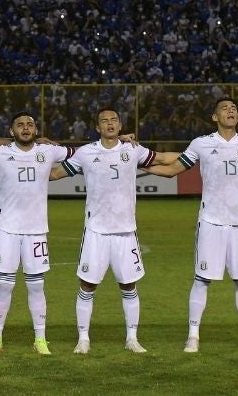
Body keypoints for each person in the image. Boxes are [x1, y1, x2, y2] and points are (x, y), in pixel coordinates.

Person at [145, 97, 238, 353]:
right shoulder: (202, 144)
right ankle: (193, 336)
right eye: (225, 109)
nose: (231, 111)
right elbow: (173, 169)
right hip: (211, 223)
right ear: (214, 117)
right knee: (202, 279)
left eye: (234, 108)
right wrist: (139, 166)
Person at [50, 108, 179, 354]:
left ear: (120, 126)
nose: (109, 124)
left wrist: (196, 155)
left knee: (129, 286)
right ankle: (83, 339)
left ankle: (132, 339)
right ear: (97, 128)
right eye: (104, 121)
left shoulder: (132, 150)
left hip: (125, 231)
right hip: (96, 231)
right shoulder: (86, 153)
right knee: (87, 285)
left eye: (113, 120)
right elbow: (56, 173)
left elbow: (162, 159)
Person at [0, 111, 74, 355]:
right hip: (7, 229)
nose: (25, 128)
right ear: (11, 131)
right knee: (4, 285)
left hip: (36, 231)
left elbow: (90, 152)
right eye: (20, 125)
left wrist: (118, 139)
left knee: (36, 286)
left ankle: (40, 339)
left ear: (36, 130)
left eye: (30, 124)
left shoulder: (49, 152)